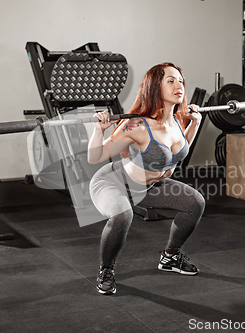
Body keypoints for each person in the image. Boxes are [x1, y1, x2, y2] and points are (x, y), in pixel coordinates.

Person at [87, 62, 205, 295]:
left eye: (180, 80)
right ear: (154, 87)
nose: (178, 85)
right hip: (115, 183)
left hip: (150, 186)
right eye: (170, 81)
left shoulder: (177, 122)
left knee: (195, 203)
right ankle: (106, 270)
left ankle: (170, 257)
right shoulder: (136, 125)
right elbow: (96, 156)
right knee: (122, 214)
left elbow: (179, 153)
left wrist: (195, 123)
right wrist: (99, 130)